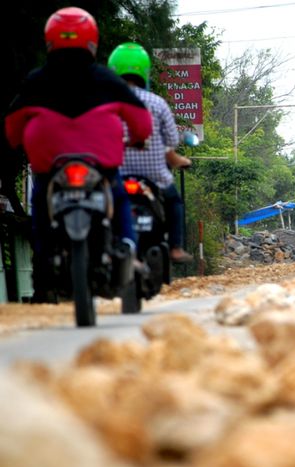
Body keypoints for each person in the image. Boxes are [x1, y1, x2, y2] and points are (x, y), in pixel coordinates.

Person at [4, 7, 152, 302]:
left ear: (49, 42)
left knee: (41, 207)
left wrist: (18, 142)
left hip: (50, 168)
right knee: (119, 196)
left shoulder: (36, 80)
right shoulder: (107, 79)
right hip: (101, 166)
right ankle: (128, 249)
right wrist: (137, 138)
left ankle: (44, 265)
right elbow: (141, 121)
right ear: (92, 42)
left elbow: (11, 127)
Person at [107, 42, 193, 264]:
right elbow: (172, 140)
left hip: (117, 174)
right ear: (145, 72)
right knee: (174, 202)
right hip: (155, 175)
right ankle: (175, 247)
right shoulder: (157, 103)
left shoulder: (107, 104)